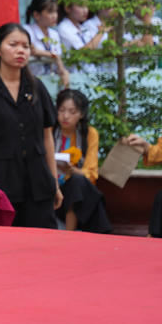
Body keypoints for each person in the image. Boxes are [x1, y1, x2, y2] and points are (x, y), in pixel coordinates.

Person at [0, 23, 62, 229]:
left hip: (38, 183)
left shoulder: (37, 87)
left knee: (43, 242)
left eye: (25, 46)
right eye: (13, 45)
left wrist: (54, 182)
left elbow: (47, 136)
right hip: (0, 182)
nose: (20, 51)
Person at [52, 88, 111, 232]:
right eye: (61, 110)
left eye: (72, 112)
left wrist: (72, 170)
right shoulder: (50, 131)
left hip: (76, 192)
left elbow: (91, 172)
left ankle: (69, 233)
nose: (65, 116)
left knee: (77, 182)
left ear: (82, 114)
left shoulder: (89, 134)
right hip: (52, 187)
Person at [24, 0, 69, 89]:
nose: (55, 16)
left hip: (51, 80)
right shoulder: (27, 31)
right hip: (31, 81)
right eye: (50, 12)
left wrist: (53, 56)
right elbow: (33, 51)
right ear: (36, 15)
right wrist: (54, 56)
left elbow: (56, 55)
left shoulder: (54, 34)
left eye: (55, 12)